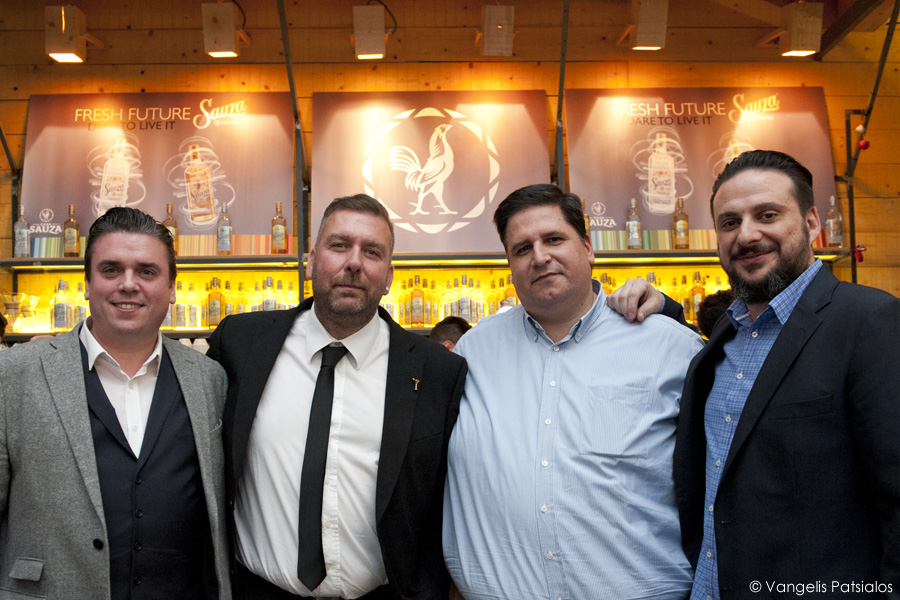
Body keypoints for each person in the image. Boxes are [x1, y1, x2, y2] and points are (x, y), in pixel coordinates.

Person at [442, 183, 704, 600]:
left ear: (587, 247)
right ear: (509, 265)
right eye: (522, 248)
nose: (539, 256)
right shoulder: (473, 352)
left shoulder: (670, 347)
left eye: (554, 239)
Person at [207, 194, 467, 599]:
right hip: (258, 590)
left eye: (372, 252)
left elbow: (444, 500)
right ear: (311, 261)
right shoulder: (241, 343)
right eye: (339, 245)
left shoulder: (438, 371)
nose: (354, 262)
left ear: (389, 275)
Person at [672, 150, 900, 599]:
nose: (746, 235)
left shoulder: (869, 321)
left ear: (812, 223)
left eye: (768, 215)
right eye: (730, 222)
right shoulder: (723, 336)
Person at [0, 207, 231, 599]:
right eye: (111, 270)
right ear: (87, 284)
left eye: (147, 271)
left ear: (172, 288)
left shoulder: (208, 378)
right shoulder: (16, 373)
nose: (128, 284)